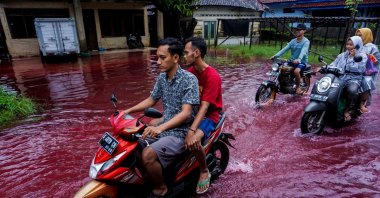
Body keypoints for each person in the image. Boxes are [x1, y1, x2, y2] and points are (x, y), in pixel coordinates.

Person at [123, 37, 200, 197]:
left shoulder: (189, 80)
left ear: (176, 57)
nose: (158, 62)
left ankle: (161, 188)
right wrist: (127, 111)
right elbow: (151, 100)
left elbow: (186, 113)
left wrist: (159, 128)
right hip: (164, 127)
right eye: (157, 57)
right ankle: (149, 178)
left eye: (162, 57)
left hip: (182, 132)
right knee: (133, 146)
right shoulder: (162, 78)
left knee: (148, 155)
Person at [183, 37, 223, 194]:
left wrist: (192, 131)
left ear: (196, 53)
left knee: (193, 142)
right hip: (193, 112)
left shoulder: (212, 76)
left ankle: (204, 169)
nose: (184, 56)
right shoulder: (190, 73)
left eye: (186, 53)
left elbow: (205, 107)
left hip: (209, 116)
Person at [324, 36, 367, 122]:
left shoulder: (362, 56)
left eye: (351, 45)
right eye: (347, 44)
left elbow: (359, 69)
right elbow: (334, 64)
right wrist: (324, 67)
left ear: (357, 45)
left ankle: (349, 110)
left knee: (352, 90)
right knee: (328, 87)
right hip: (341, 77)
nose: (348, 46)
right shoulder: (342, 55)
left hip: (354, 79)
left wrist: (352, 57)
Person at [270, 23, 310, 95]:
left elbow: (303, 51)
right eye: (296, 30)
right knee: (281, 68)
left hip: (302, 61)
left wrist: (299, 59)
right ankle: (284, 84)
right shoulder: (293, 41)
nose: (297, 31)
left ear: (304, 31)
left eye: (299, 30)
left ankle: (298, 87)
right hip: (292, 60)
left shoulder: (306, 41)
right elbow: (285, 49)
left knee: (296, 71)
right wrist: (275, 56)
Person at [355, 28, 380, 113]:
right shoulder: (357, 45)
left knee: (366, 82)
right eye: (357, 35)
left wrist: (368, 56)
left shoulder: (371, 47)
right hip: (356, 68)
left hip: (367, 71)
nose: (358, 37)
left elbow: (372, 61)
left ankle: (361, 103)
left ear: (367, 36)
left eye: (360, 35)